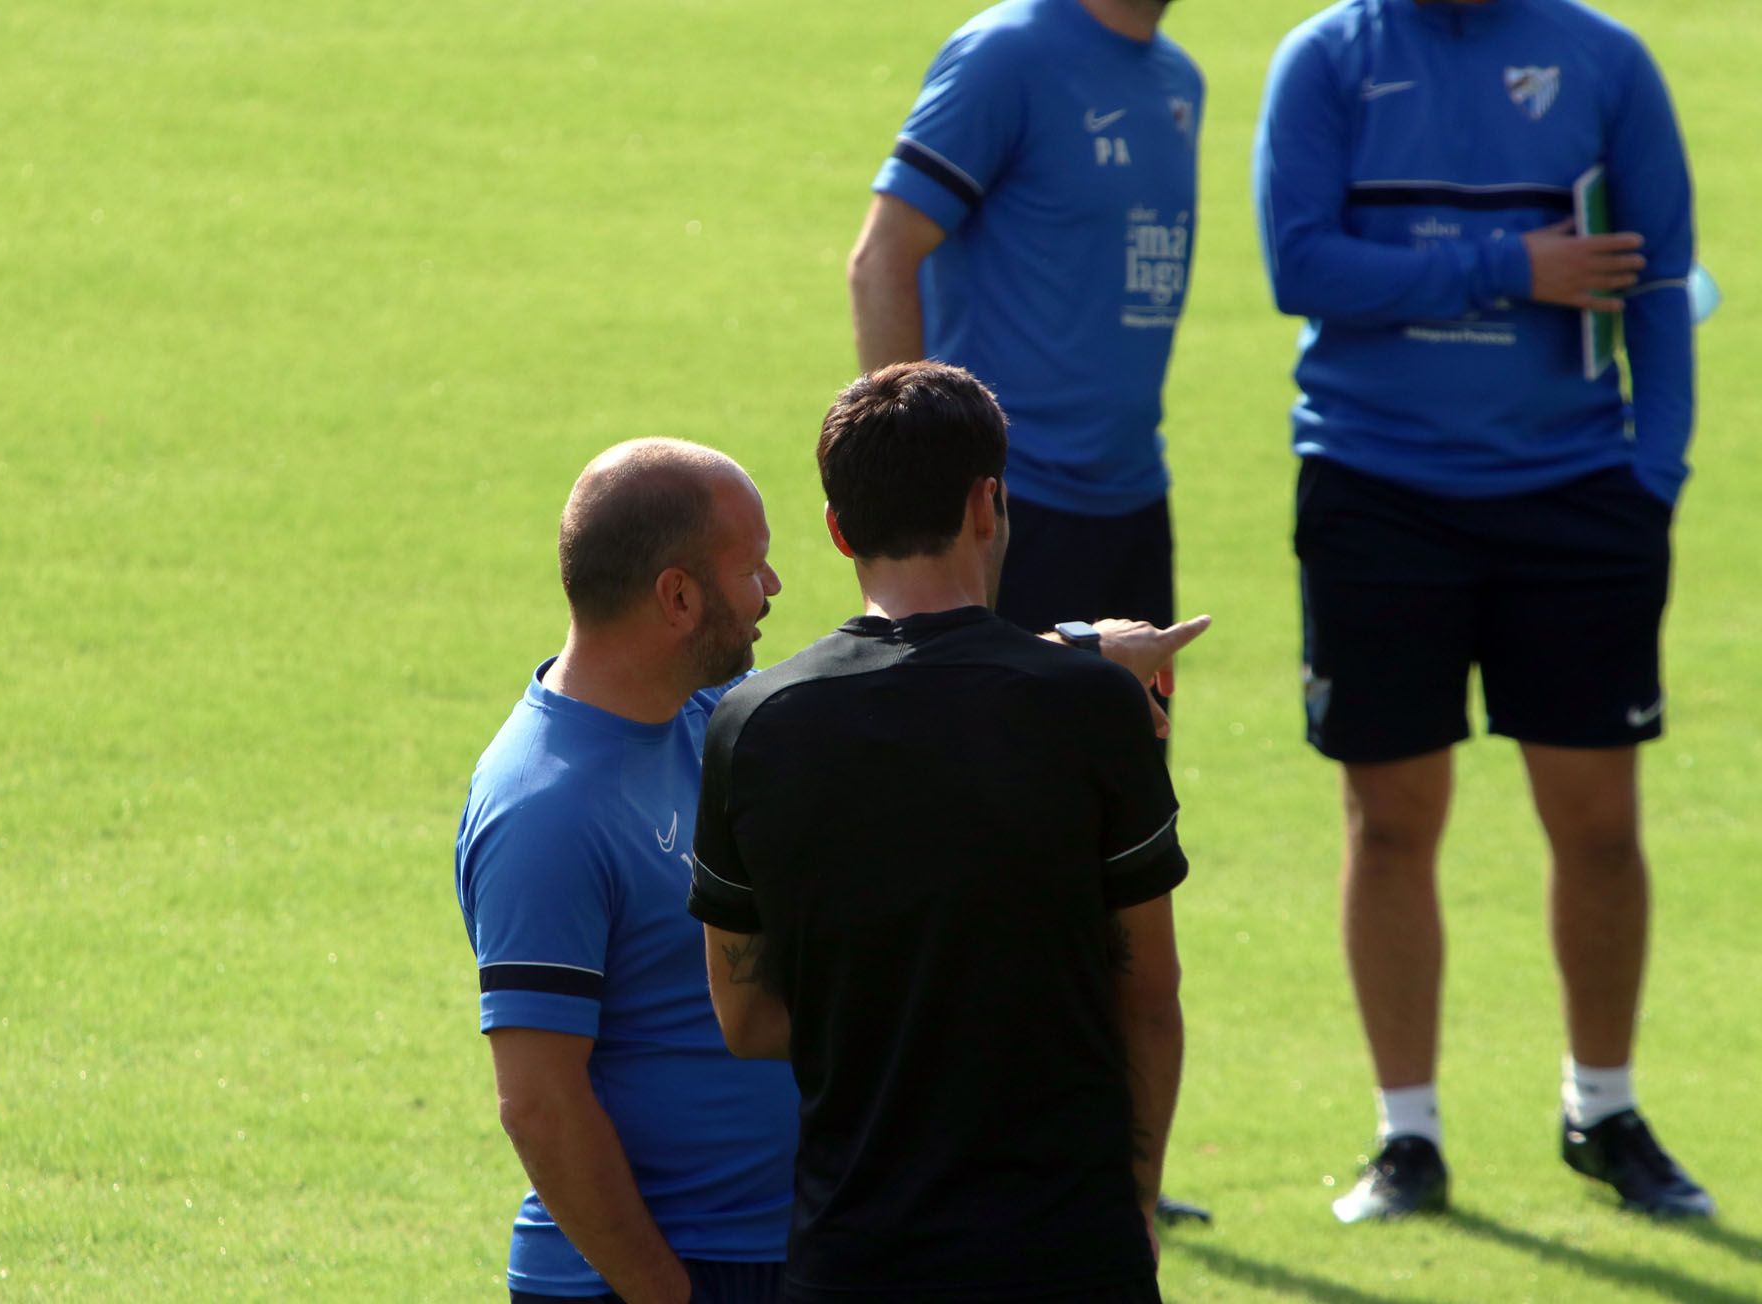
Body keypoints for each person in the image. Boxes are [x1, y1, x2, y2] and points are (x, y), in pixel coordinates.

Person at [1255, 0, 1710, 1221]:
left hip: (1572, 495)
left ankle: (1600, 1107)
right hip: (1372, 489)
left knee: (1599, 823)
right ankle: (1406, 1135)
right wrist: (1508, 264)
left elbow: (1659, 276)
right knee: (1390, 819)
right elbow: (1298, 264)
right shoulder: (1325, 60)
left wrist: (1648, 483)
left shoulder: (1603, 59)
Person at [687, 361, 1203, 1302]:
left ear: (840, 529)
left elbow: (748, 1016)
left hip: (855, 1260)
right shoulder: (1092, 709)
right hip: (1069, 1254)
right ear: (987, 503)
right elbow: (1149, 999)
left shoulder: (753, 725)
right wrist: (1136, 1212)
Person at [453, 439, 796, 1302]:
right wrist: (666, 1293)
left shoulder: (713, 716)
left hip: (780, 1253)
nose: (773, 590)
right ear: (678, 596)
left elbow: (894, 712)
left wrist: (1073, 669)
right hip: (650, 1277)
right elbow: (539, 1101)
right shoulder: (544, 808)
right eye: (752, 567)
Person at [849, 0, 1203, 638]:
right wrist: (917, 491)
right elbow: (882, 259)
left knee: (1130, 736)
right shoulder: (1006, 54)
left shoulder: (1179, 77)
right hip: (1003, 507)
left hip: (1135, 497)